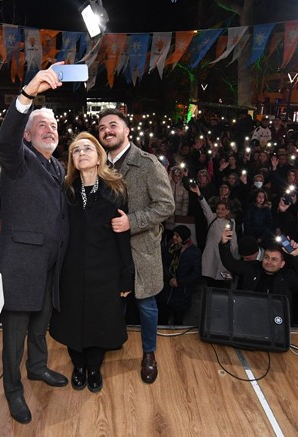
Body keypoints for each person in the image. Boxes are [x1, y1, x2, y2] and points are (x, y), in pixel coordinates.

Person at [0, 65, 70, 424]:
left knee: (40, 326)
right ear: (26, 135)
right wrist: (27, 94)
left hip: (49, 266)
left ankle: (37, 368)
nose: (50, 129)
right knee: (15, 336)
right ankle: (13, 389)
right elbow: (4, 139)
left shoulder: (57, 167)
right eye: (41, 125)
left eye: (54, 126)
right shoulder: (17, 160)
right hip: (21, 265)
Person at [50, 133, 133, 394]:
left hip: (105, 270)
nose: (82, 153)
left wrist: (126, 274)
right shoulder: (65, 191)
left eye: (87, 148)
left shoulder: (116, 190)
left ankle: (94, 368)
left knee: (100, 320)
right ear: (72, 160)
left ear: (99, 157)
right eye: (76, 151)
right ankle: (78, 366)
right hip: (70, 270)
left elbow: (122, 235)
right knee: (73, 319)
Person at [100, 108, 175, 385]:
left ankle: (149, 354)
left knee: (146, 305)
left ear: (127, 130)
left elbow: (166, 205)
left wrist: (131, 222)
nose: (107, 130)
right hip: (109, 250)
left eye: (113, 125)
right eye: (102, 128)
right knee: (112, 302)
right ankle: (112, 340)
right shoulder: (98, 164)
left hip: (141, 249)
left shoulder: (147, 163)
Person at [218, 227, 298, 296]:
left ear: (282, 264)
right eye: (266, 257)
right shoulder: (252, 268)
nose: (269, 262)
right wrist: (224, 244)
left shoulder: (286, 277)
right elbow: (230, 263)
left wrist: (297, 255)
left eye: (274, 259)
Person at [158, 225, 201, 326]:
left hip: (181, 294)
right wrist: (169, 277)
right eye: (174, 235)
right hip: (166, 291)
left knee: (177, 322)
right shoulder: (169, 248)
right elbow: (163, 264)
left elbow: (196, 274)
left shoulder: (194, 252)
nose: (174, 238)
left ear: (184, 237)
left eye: (177, 236)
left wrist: (179, 282)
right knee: (162, 320)